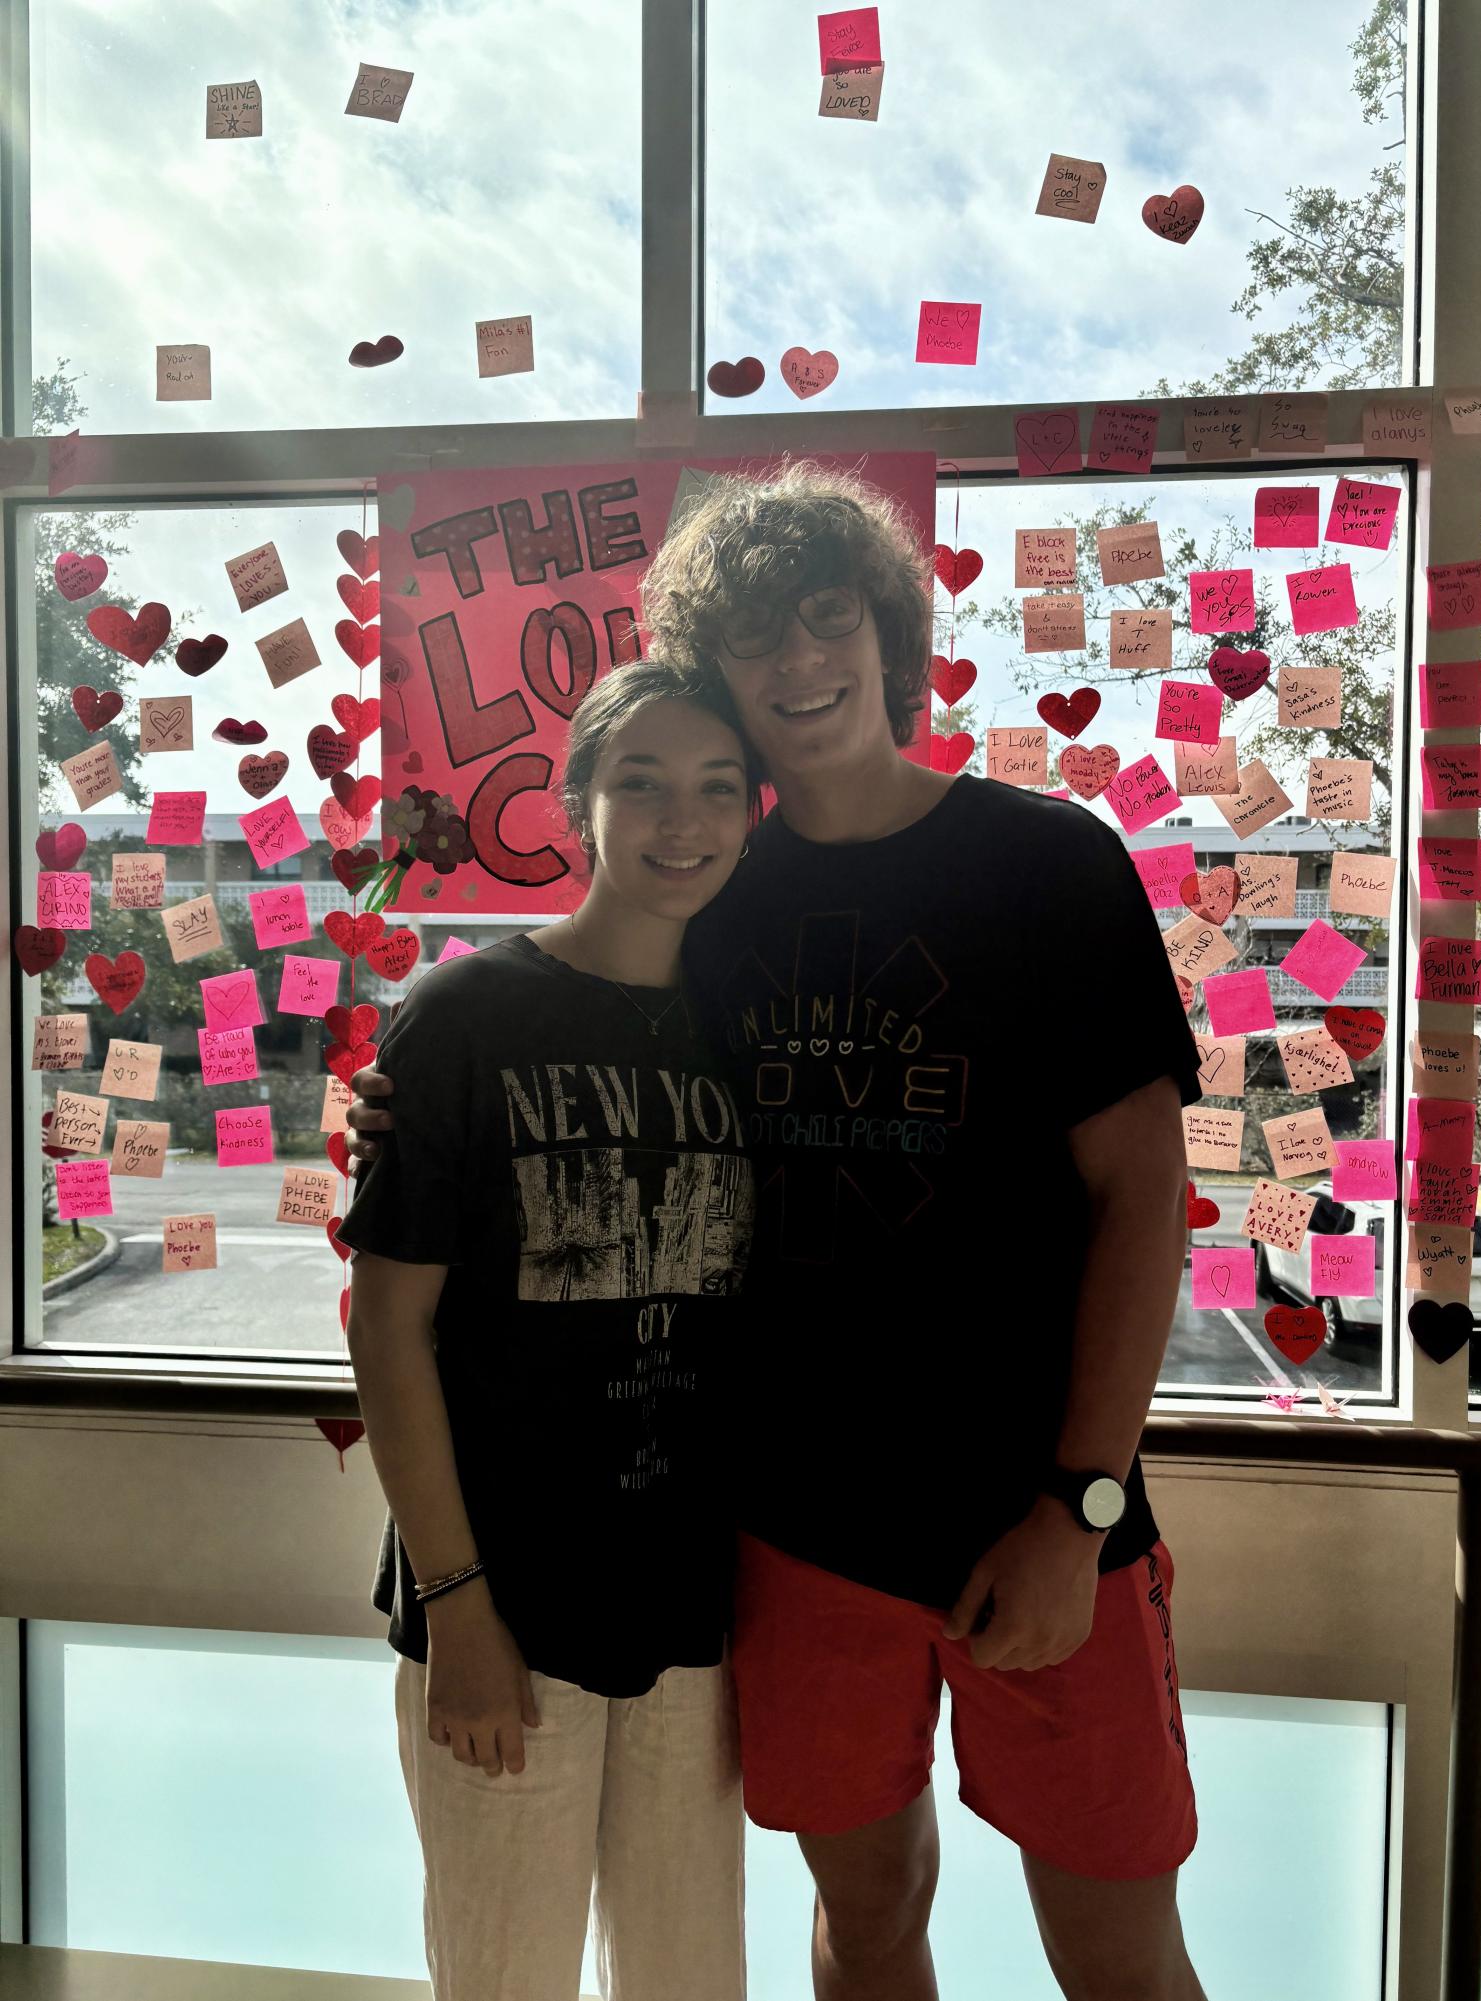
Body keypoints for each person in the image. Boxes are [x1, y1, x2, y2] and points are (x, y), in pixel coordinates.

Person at [349, 461, 1212, 2001]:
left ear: (889, 633)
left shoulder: (1044, 863)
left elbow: (1144, 1196)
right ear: (717, 677)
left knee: (1118, 1951)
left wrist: (1075, 1505)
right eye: (759, 641)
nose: (800, 664)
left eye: (829, 621)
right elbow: (557, 1035)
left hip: (1036, 1515)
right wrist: (401, 1101)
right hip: (796, 1535)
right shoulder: (711, 893)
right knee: (864, 1920)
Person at [338, 659, 763, 2001]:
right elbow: (388, 1332)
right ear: (577, 799)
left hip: (696, 1611)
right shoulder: (464, 1017)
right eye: (638, 782)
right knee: (501, 1974)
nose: (676, 821)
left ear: (756, 812)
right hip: (500, 1612)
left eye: (712, 787)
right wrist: (459, 1607)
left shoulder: (758, 1029)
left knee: (686, 1977)